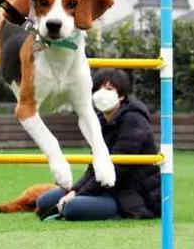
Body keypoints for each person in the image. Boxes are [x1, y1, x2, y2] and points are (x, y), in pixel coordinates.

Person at [36, 69, 161, 220]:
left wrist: (77, 195)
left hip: (130, 193)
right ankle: (84, 202)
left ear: (121, 95)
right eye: (98, 89)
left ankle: (118, 213)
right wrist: (74, 190)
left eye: (109, 89)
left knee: (72, 207)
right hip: (106, 187)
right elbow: (94, 167)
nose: (102, 94)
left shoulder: (134, 121)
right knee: (44, 202)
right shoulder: (99, 121)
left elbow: (116, 169)